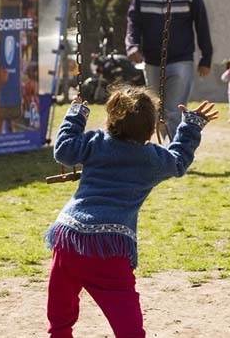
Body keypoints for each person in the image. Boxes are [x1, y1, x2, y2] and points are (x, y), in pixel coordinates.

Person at [45, 87, 217, 337]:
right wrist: (191, 125)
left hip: (68, 234)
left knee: (61, 305)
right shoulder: (152, 158)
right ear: (150, 129)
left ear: (111, 121)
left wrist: (76, 113)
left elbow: (63, 150)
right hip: (109, 245)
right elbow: (178, 160)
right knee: (125, 315)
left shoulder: (95, 142)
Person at [125, 0, 213, 139]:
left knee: (173, 112)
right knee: (154, 111)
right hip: (152, 61)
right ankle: (158, 153)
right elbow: (133, 22)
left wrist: (206, 58)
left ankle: (172, 157)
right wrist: (132, 46)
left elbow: (202, 24)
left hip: (181, 61)